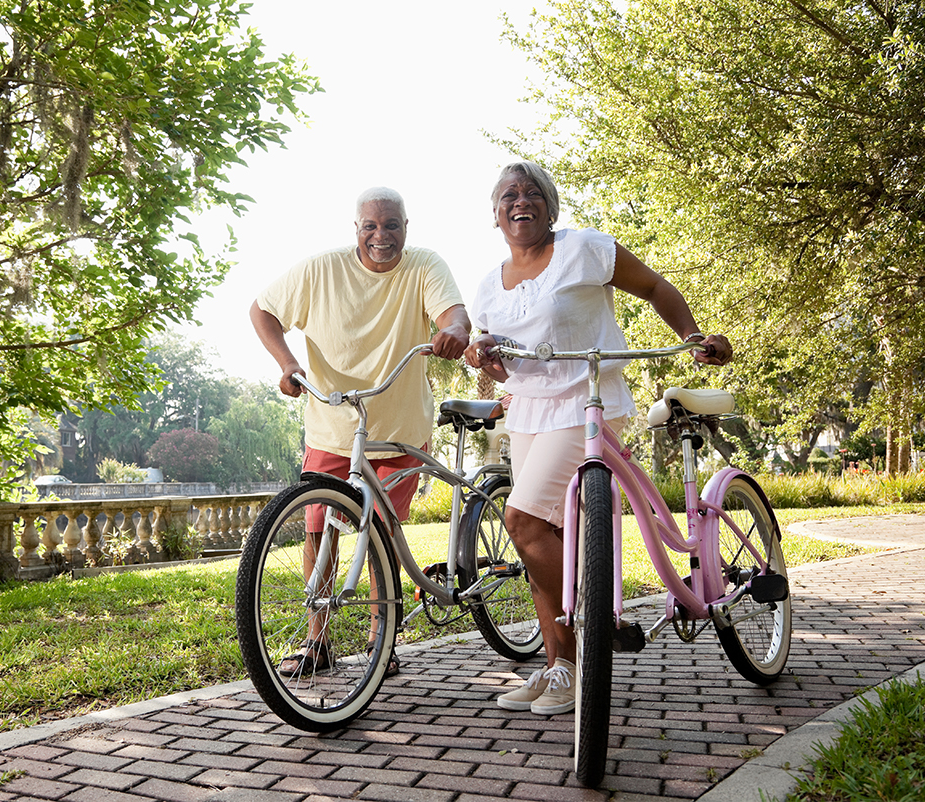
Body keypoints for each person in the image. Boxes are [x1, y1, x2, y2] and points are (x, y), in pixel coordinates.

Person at [464, 161, 732, 715]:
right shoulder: (489, 284)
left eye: (532, 192)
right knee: (540, 538)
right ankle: (560, 668)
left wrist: (690, 335)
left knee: (522, 521)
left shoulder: (583, 249)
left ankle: (590, 630)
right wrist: (480, 355)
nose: (521, 202)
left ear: (550, 204)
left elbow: (655, 286)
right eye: (509, 195)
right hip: (530, 412)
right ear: (495, 214)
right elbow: (491, 350)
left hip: (588, 400)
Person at [251, 186, 471, 678]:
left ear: (406, 229)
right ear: (355, 229)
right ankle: (317, 640)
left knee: (382, 534)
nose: (381, 236)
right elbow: (262, 309)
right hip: (331, 424)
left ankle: (382, 639)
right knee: (318, 531)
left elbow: (452, 313)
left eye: (391, 225)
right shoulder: (320, 270)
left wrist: (454, 330)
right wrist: (287, 363)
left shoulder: (423, 265)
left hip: (397, 430)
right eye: (370, 226)